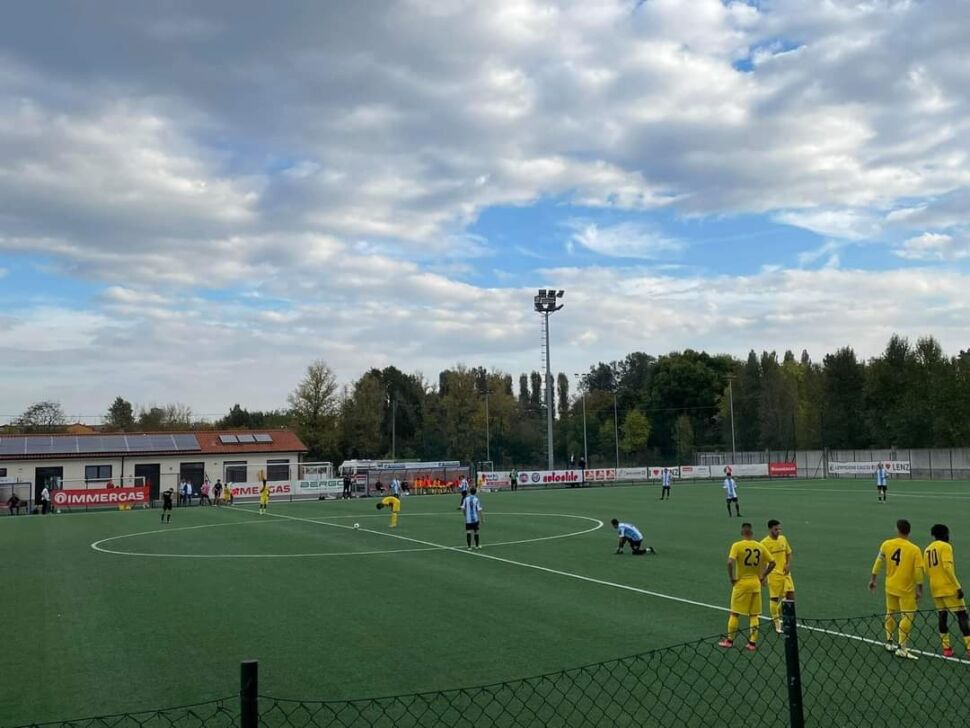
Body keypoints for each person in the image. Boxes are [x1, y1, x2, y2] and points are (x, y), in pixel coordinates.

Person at [869, 519, 923, 660]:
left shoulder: (887, 544)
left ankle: (889, 642)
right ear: (909, 531)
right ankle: (902, 648)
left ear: (897, 529)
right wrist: (920, 588)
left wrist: (873, 579)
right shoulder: (914, 549)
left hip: (890, 586)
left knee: (890, 612)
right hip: (906, 589)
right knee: (907, 615)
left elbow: (878, 562)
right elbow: (918, 571)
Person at [718, 522, 775, 651]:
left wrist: (732, 578)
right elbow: (772, 563)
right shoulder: (759, 546)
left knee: (735, 613)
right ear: (752, 533)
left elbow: (729, 562)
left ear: (742, 533)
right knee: (754, 615)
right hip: (756, 584)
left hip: (742, 584)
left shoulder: (737, 545)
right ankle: (752, 643)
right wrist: (763, 576)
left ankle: (729, 641)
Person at [924, 524, 970, 657]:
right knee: (962, 615)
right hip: (948, 587)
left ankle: (946, 648)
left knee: (942, 616)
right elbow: (947, 568)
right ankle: (969, 647)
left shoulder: (927, 549)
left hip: (935, 587)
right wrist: (957, 586)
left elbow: (926, 570)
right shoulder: (945, 547)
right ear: (944, 534)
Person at [761, 519, 795, 634]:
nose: (778, 531)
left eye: (779, 529)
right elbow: (761, 562)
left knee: (790, 596)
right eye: (776, 529)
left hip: (785, 573)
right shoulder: (764, 543)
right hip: (773, 574)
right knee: (774, 598)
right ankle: (777, 622)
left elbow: (789, 553)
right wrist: (763, 576)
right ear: (770, 529)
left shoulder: (783, 539)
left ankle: (776, 614)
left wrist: (788, 564)